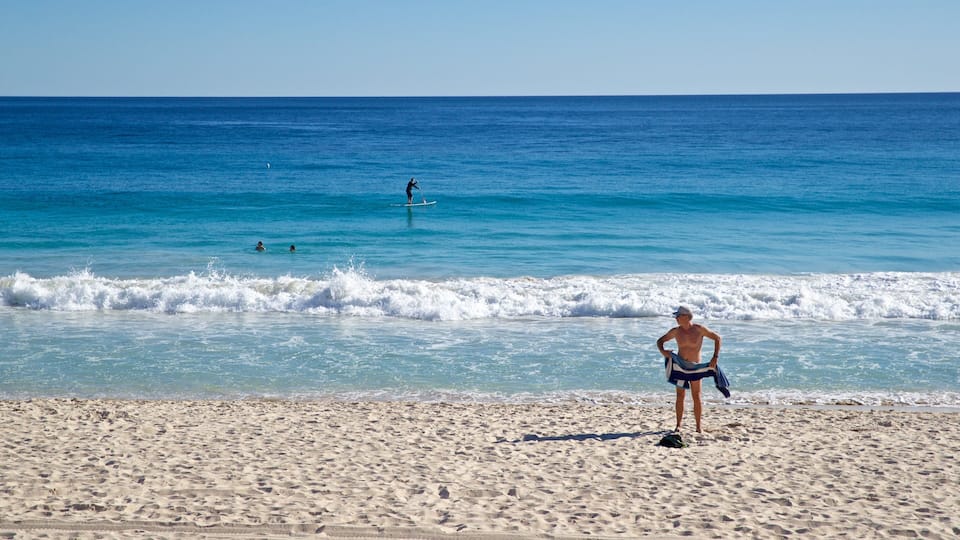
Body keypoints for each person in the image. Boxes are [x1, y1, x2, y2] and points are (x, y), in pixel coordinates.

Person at [657, 306, 722, 433]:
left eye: (678, 316)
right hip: (680, 367)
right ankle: (678, 425)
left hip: (695, 368)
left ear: (686, 317)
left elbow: (717, 338)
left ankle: (698, 426)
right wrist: (663, 351)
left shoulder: (699, 329)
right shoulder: (676, 331)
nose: (676, 318)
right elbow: (660, 341)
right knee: (680, 395)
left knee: (696, 396)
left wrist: (715, 357)